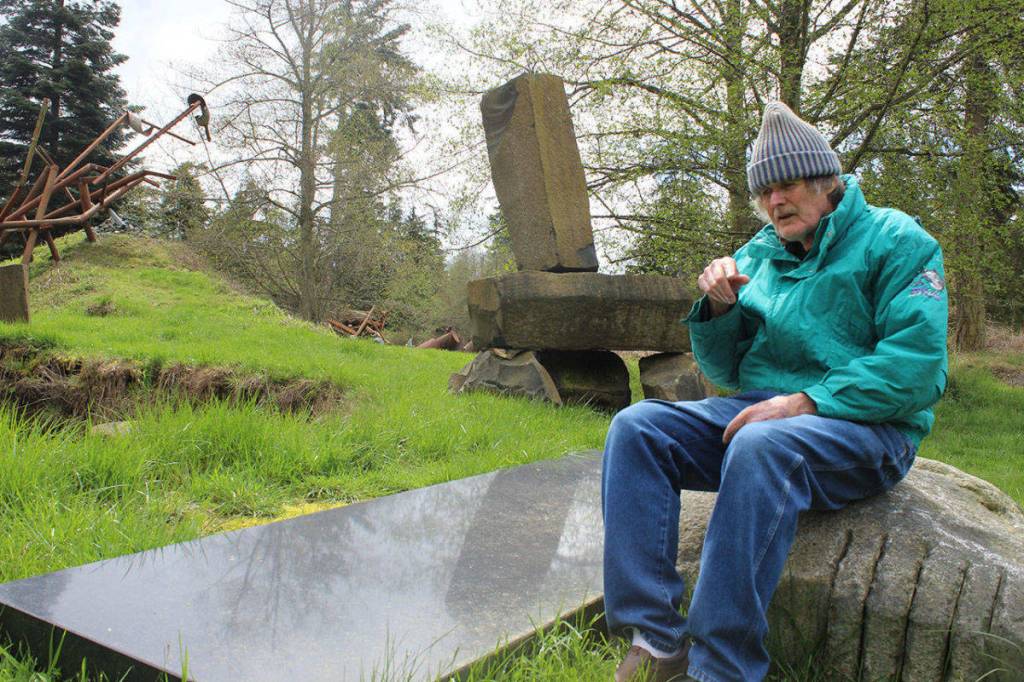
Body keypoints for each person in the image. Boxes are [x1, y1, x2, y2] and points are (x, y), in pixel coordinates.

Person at [603, 102, 948, 682]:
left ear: (826, 181)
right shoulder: (758, 255)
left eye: (787, 185)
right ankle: (656, 639)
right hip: (763, 409)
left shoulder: (896, 240)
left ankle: (721, 667)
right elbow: (726, 372)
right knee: (637, 428)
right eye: (765, 192)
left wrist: (806, 402)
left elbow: (917, 367)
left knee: (761, 444)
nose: (775, 201)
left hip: (868, 428)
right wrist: (718, 309)